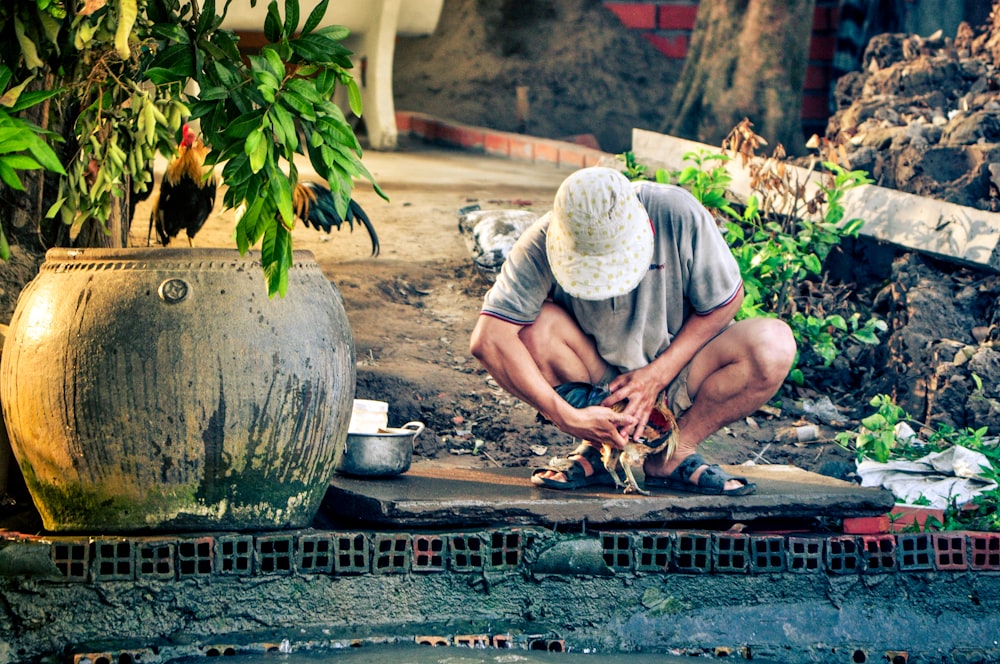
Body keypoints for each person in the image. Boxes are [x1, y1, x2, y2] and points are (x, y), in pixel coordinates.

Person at [468, 166, 796, 495]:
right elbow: (489, 339)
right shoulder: (540, 242)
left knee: (773, 344)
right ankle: (597, 448)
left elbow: (726, 300)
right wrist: (564, 415)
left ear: (645, 224)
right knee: (530, 329)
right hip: (598, 378)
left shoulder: (676, 213)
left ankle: (674, 455)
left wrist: (658, 374)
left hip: (681, 368)